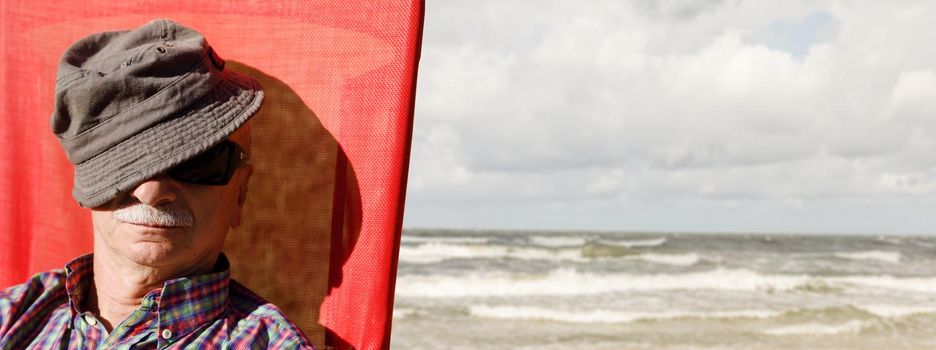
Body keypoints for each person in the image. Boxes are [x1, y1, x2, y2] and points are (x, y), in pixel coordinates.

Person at [0, 19, 314, 349]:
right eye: (125, 163)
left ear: (240, 193)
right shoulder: (11, 317)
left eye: (196, 161)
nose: (152, 192)